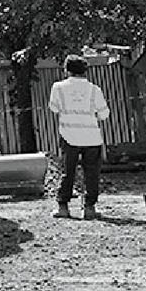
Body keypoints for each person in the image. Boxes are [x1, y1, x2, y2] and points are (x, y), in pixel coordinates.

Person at [48, 54, 110, 220]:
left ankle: (63, 207)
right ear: (85, 71)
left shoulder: (58, 87)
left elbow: (53, 108)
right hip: (92, 138)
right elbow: (104, 114)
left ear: (67, 70)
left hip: (69, 136)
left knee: (68, 171)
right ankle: (89, 208)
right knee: (91, 173)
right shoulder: (94, 89)